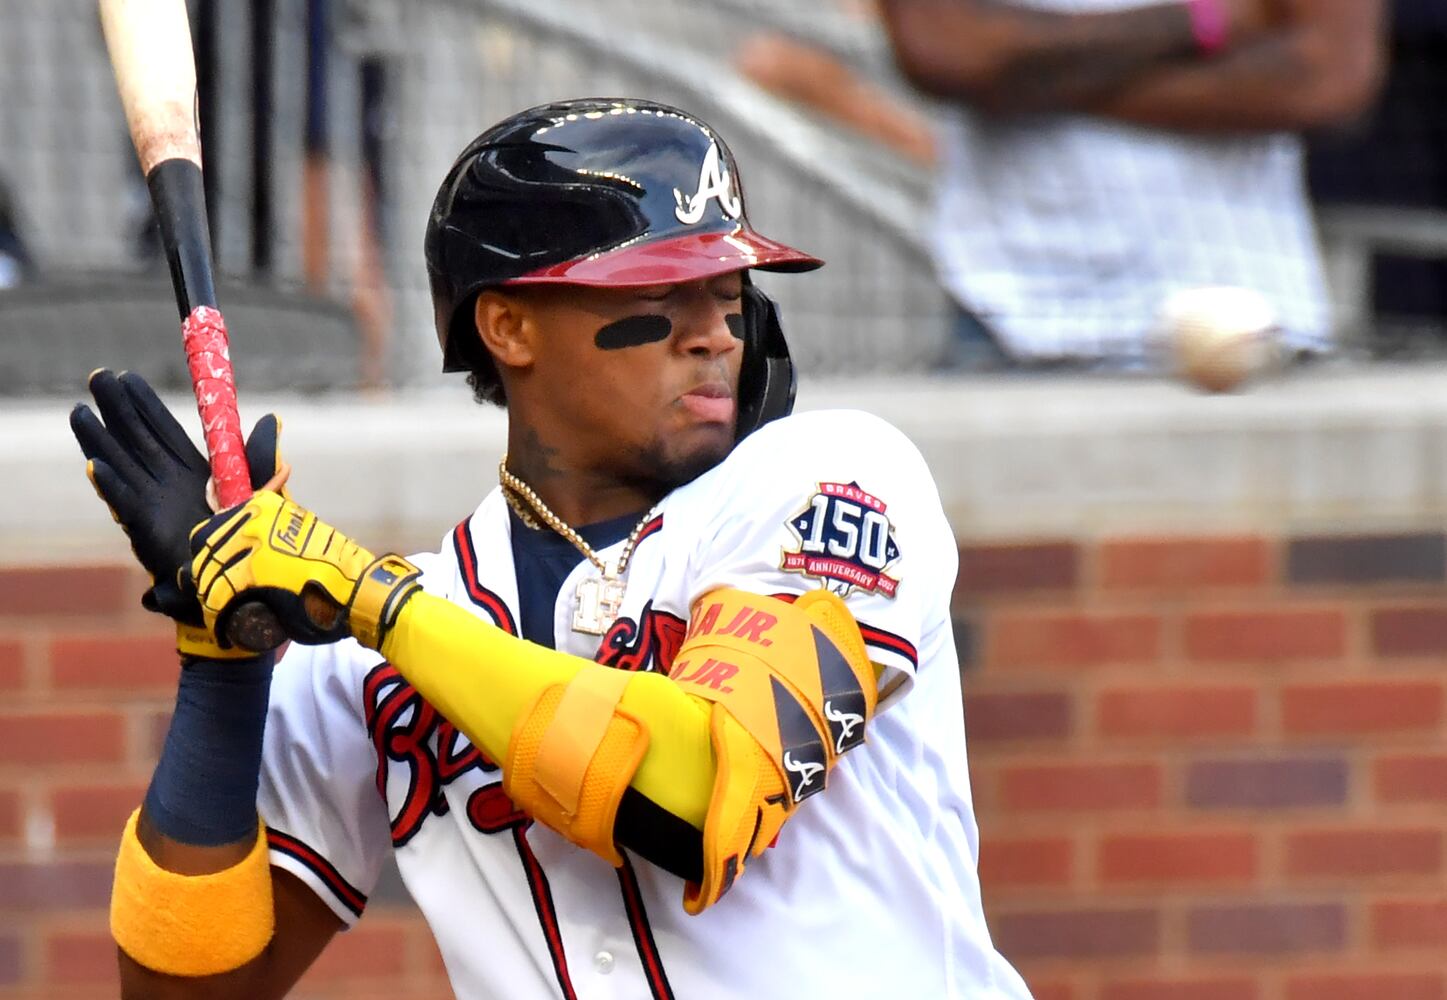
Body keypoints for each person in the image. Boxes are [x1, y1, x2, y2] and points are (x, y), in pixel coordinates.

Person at [72, 98, 1033, 999]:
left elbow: (697, 800)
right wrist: (223, 661)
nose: (715, 332)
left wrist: (379, 605)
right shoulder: (368, 646)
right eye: (661, 286)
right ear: (509, 326)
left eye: (729, 287)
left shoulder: (831, 479)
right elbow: (184, 987)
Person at [766, 0, 1388, 368]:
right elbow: (945, 48)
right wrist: (1205, 21)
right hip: (1016, 318)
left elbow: (1327, 77)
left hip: (1255, 314)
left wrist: (1027, 77)